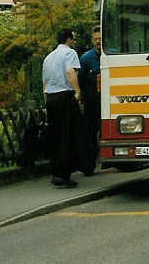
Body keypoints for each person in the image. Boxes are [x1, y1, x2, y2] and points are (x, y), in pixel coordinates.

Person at [42, 27, 82, 188]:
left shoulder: (48, 57)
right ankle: (65, 174)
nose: (74, 40)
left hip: (50, 98)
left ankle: (55, 172)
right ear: (69, 39)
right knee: (68, 135)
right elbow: (70, 72)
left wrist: (46, 100)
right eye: (73, 38)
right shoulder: (70, 53)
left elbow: (44, 82)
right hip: (64, 96)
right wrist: (77, 91)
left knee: (55, 135)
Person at [78, 25, 102, 173]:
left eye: (100, 38)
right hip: (91, 103)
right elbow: (80, 80)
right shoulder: (86, 58)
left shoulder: (111, 55)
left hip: (109, 103)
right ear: (92, 41)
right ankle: (89, 165)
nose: (98, 42)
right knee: (90, 134)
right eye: (96, 39)